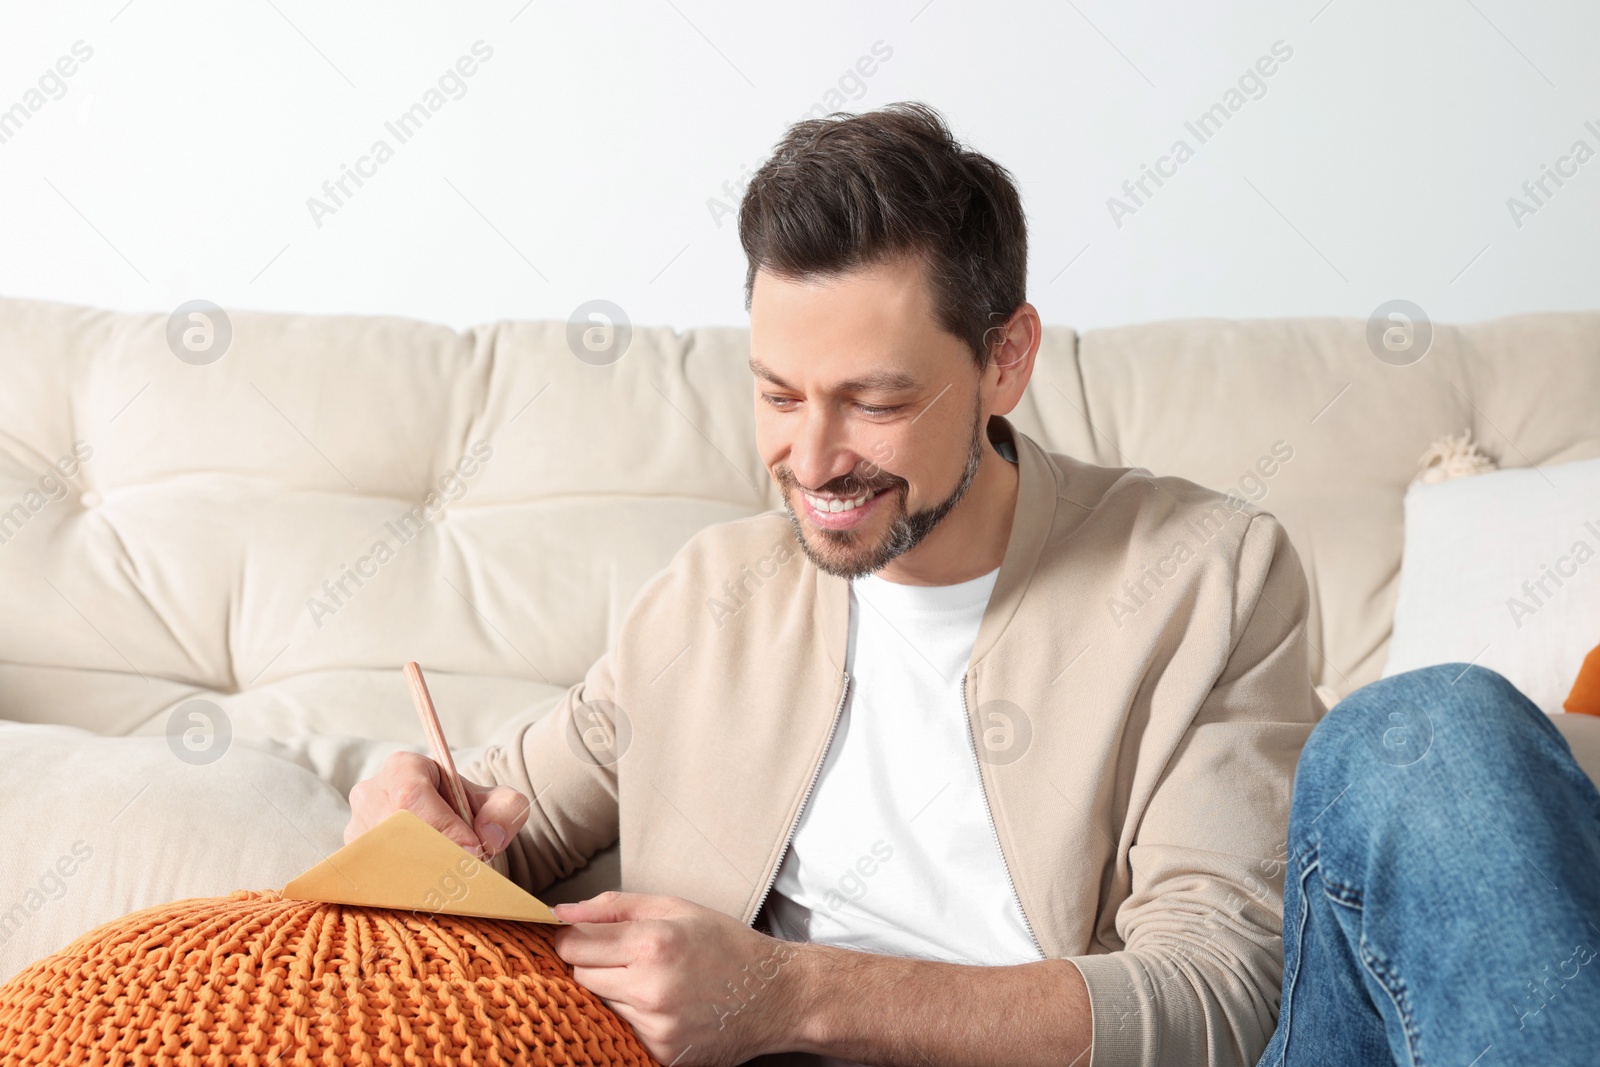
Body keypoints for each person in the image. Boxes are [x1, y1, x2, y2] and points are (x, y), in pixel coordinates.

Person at [344, 102, 1600, 1065]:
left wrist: (789, 990)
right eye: (778, 395)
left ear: (1005, 361)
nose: (813, 458)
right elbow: (488, 818)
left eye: (877, 400)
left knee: (1434, 729)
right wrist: (398, 803)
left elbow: (1219, 989)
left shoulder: (1203, 574)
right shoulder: (703, 599)